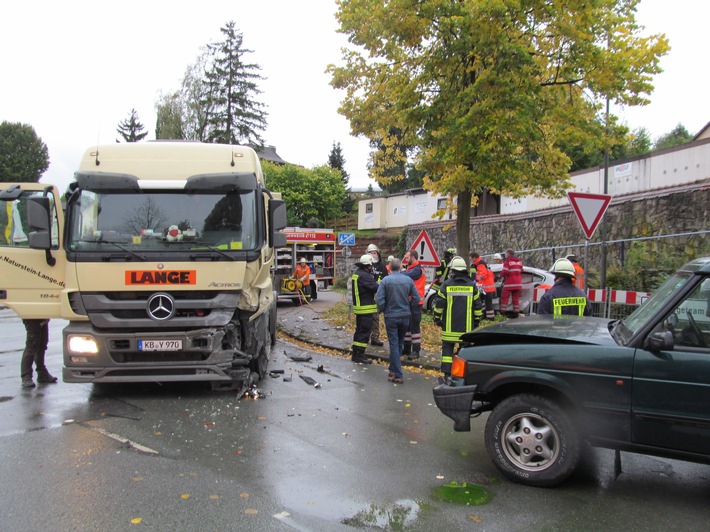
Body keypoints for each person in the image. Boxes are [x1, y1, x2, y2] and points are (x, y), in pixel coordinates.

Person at [433, 257, 482, 380]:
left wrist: (437, 318)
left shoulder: (446, 285)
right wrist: (476, 321)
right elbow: (478, 306)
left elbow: (439, 305)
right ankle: (461, 375)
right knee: (463, 352)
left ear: (453, 270)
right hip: (466, 330)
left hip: (449, 329)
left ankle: (447, 374)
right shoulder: (472, 286)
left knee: (447, 353)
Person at [376, 258, 420, 384]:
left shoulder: (385, 280)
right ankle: (392, 370)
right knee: (399, 344)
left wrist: (385, 309)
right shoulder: (408, 280)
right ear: (401, 267)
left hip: (391, 316)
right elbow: (417, 298)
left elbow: (379, 299)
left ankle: (398, 374)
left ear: (390, 267)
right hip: (405, 316)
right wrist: (408, 307)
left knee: (394, 345)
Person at [350, 254, 379, 364]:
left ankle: (355, 354)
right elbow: (376, 287)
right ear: (368, 265)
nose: (371, 268)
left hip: (359, 308)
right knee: (364, 332)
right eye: (371, 266)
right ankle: (360, 355)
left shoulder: (357, 273)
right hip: (365, 308)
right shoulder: (365, 276)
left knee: (359, 331)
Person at [401, 249, 426, 360]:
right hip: (409, 301)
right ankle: (406, 349)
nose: (406, 259)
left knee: (414, 328)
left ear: (413, 257)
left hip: (416, 302)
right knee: (407, 326)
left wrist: (400, 271)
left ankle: (416, 351)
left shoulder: (418, 270)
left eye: (407, 257)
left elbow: (406, 276)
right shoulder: (412, 269)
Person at [21, 319, 57, 388]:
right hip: (31, 316)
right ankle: (26, 377)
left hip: (41, 315)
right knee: (31, 346)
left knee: (42, 344)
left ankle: (42, 374)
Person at [366, 243, 388, 346]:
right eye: (371, 253)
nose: (373, 254)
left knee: (375, 318)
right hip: (367, 297)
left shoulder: (382, 267)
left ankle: (374, 337)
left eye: (375, 252)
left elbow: (385, 280)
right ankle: (368, 337)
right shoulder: (366, 266)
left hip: (378, 296)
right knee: (368, 318)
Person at [470, 251, 496, 320]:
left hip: (487, 287)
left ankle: (490, 318)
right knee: (484, 302)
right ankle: (485, 316)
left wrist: (476, 280)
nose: (471, 261)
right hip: (486, 286)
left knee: (488, 303)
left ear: (474, 258)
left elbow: (482, 274)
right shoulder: (482, 263)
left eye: (472, 259)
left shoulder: (480, 264)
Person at [500, 249, 524, 318]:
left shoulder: (507, 261)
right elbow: (522, 270)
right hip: (518, 283)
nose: (505, 255)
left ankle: (503, 313)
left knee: (504, 298)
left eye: (506, 254)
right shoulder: (519, 261)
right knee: (515, 299)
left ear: (508, 254)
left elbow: (505, 272)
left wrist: (500, 276)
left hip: (509, 283)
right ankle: (516, 313)